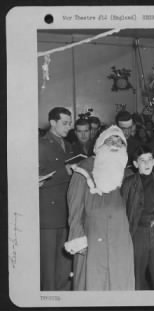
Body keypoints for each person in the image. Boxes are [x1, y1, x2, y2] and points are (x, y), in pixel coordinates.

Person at [64, 126, 135, 290]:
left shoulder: (128, 173)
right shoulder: (83, 169)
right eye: (111, 140)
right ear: (100, 144)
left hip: (120, 239)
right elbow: (74, 209)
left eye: (120, 142)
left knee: (120, 282)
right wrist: (77, 237)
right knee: (92, 282)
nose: (116, 145)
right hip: (92, 236)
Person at [121, 145, 154, 290]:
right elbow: (123, 209)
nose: (147, 164)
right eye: (142, 160)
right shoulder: (129, 183)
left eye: (150, 160)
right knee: (137, 274)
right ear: (135, 164)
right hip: (137, 232)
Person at [39, 107, 74, 290]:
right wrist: (65, 171)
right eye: (65, 123)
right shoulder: (41, 145)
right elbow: (35, 176)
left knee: (64, 264)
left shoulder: (68, 145)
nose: (70, 126)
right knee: (48, 267)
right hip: (48, 215)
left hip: (65, 212)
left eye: (70, 122)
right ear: (53, 122)